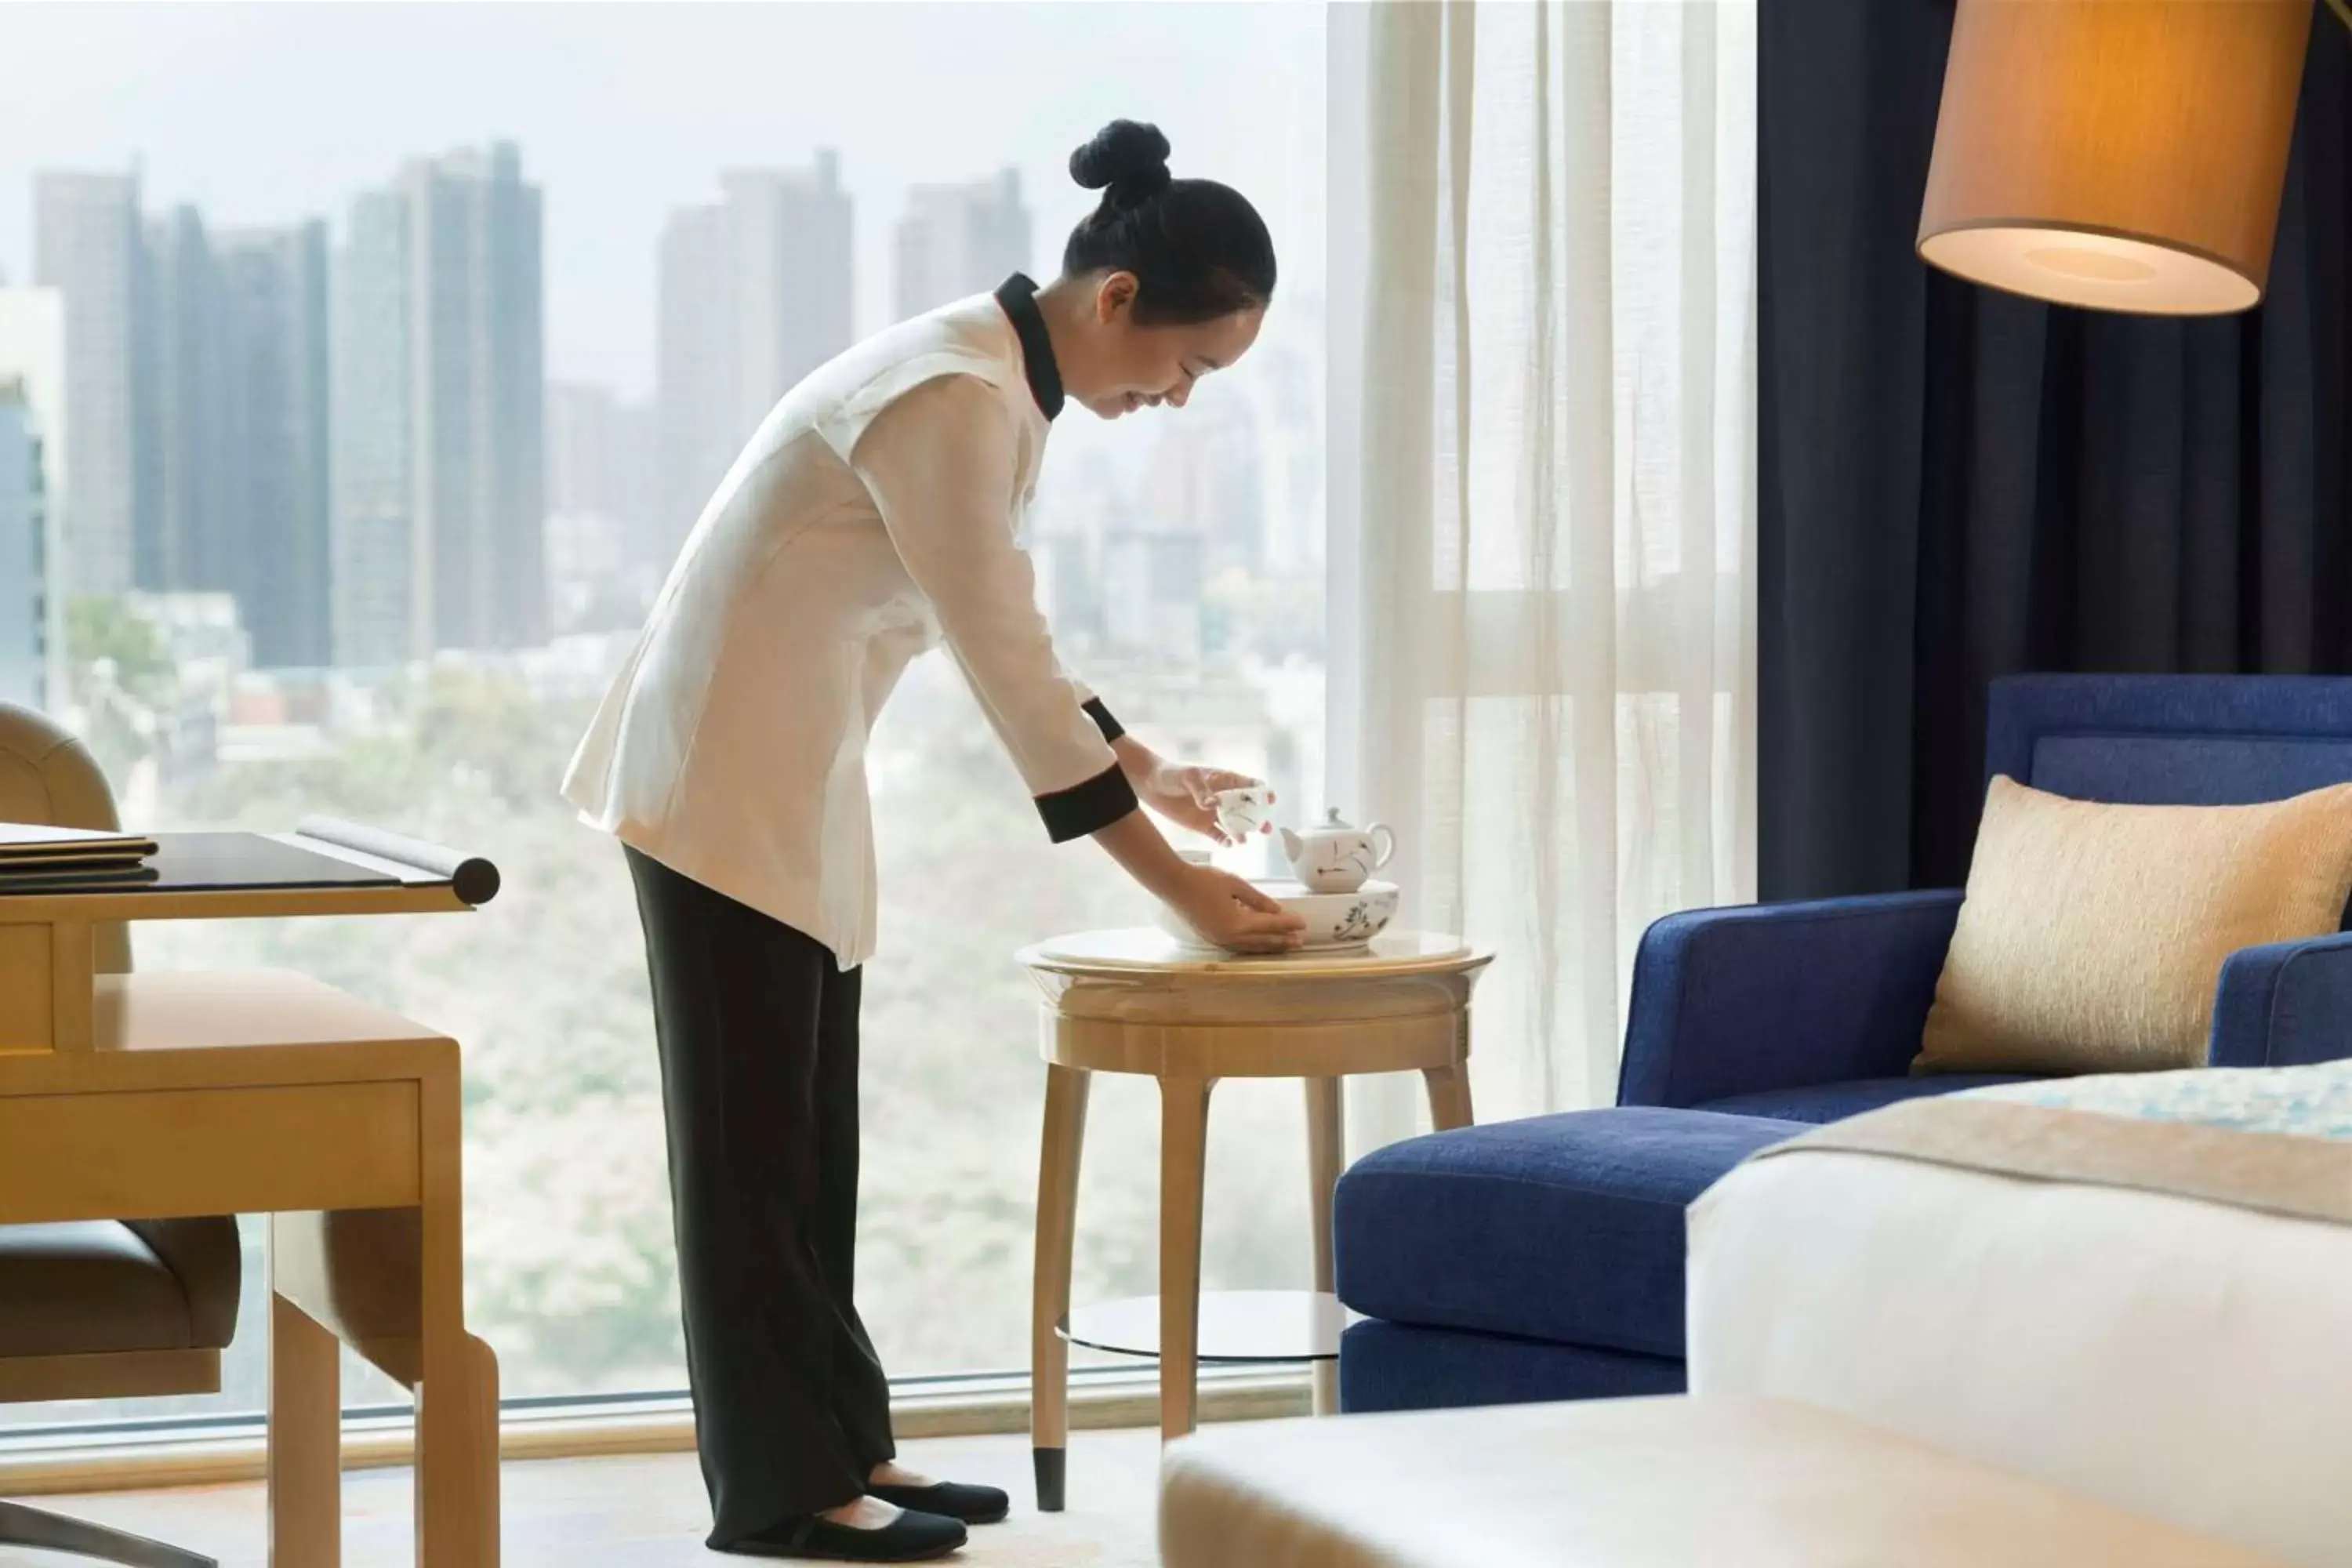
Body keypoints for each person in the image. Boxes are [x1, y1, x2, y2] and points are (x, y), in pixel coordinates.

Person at [561, 118, 1305, 1563]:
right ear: (1117, 305)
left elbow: (1000, 614)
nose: (1177, 398)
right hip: (720, 784)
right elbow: (1003, 663)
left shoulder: (996, 383)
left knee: (807, 1138)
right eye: (1190, 368)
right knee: (749, 1155)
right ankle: (782, 1493)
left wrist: (1147, 768)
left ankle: (846, 1446)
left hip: (792, 778)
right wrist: (1183, 896)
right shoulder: (951, 393)